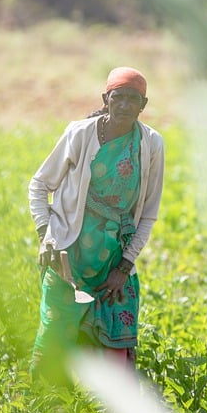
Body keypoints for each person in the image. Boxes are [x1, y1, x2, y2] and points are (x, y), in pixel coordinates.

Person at [28, 67, 165, 384]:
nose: (125, 106)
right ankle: (45, 407)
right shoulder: (80, 134)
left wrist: (124, 266)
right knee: (55, 336)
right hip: (68, 257)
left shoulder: (151, 144)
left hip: (114, 262)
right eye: (119, 97)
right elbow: (39, 185)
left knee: (113, 339)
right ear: (106, 99)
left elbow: (147, 213)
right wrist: (46, 238)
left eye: (134, 99)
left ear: (143, 105)